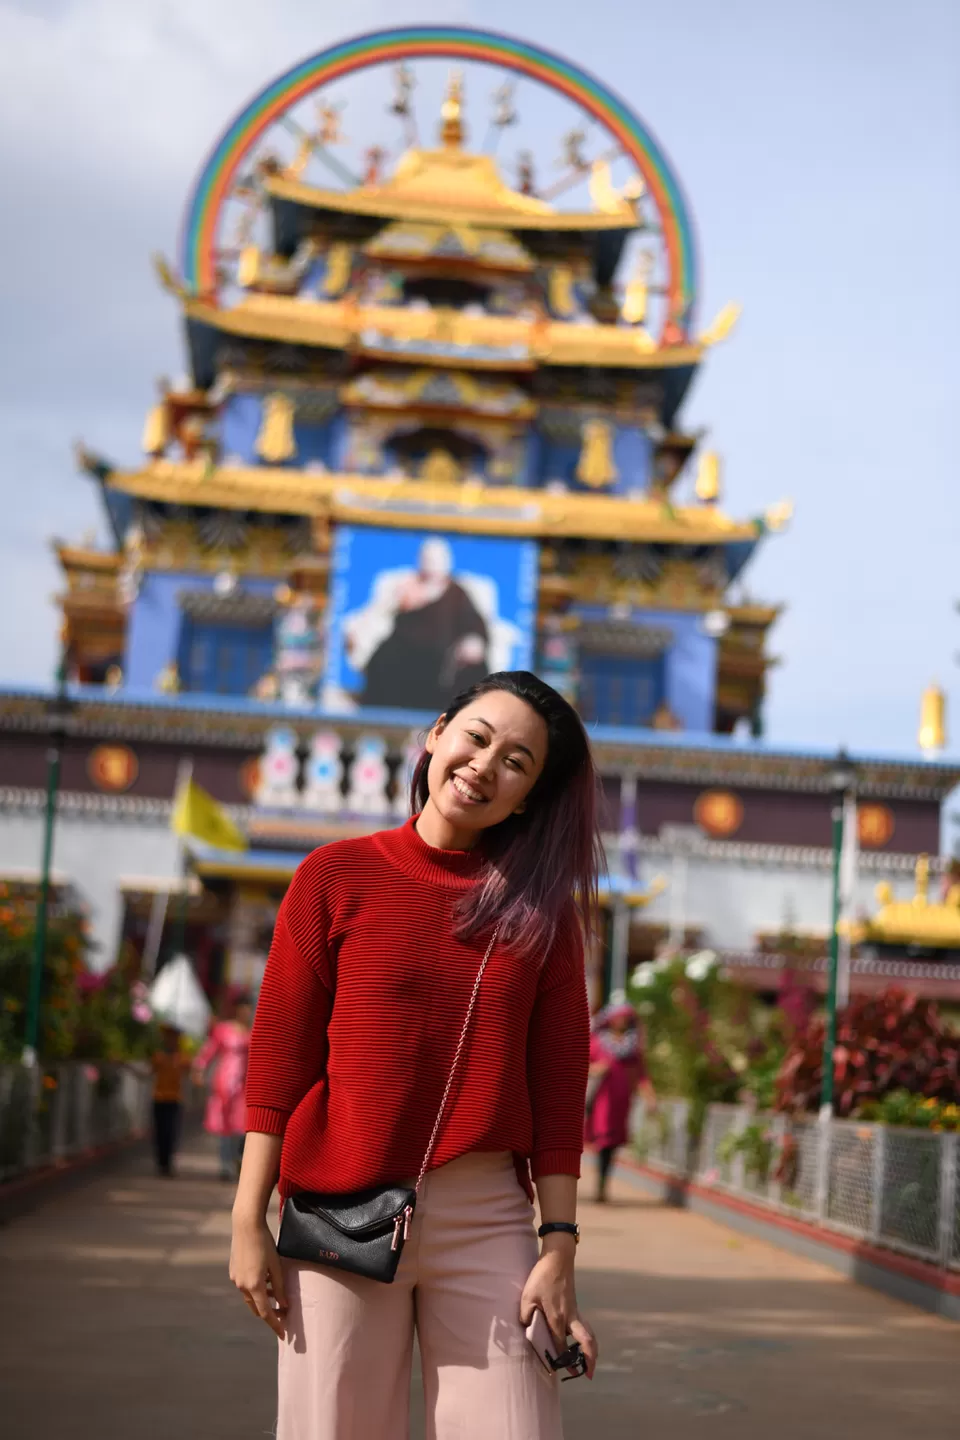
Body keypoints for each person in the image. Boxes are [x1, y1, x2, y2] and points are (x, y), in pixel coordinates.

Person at [231, 671, 604, 1439]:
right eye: (477, 736)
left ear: (528, 796)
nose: (485, 764)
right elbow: (279, 1060)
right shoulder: (334, 877)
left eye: (517, 762)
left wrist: (558, 1246)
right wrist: (246, 1219)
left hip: (488, 1215)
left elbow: (560, 1088)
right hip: (338, 1210)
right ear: (437, 733)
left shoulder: (543, 918)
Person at [346, 536, 490, 711]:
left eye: (437, 560)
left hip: (443, 654)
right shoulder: (406, 585)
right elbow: (379, 611)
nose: (432, 564)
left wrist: (474, 640)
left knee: (470, 670)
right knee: (383, 659)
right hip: (404, 648)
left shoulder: (457, 592)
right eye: (428, 559)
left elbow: (474, 623)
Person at [585, 995, 655, 1203]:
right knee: (603, 1140)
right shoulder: (597, 1043)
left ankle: (603, 1182)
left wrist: (650, 1097)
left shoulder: (632, 1047)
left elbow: (642, 1075)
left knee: (613, 1143)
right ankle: (601, 1183)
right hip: (601, 1101)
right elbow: (579, 1065)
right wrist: (596, 1069)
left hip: (622, 1102)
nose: (621, 1021)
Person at [194, 992, 253, 1182]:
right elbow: (208, 1051)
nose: (246, 1011)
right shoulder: (223, 1030)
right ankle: (225, 1164)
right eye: (243, 1007)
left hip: (243, 1086)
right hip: (224, 1083)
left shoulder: (251, 1032)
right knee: (225, 1126)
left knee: (241, 1126)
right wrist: (199, 1069)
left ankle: (236, 1160)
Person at [150, 1023, 190, 1177]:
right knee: (160, 1132)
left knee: (171, 1132)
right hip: (159, 1098)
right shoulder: (159, 1056)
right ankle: (161, 1163)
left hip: (175, 1099)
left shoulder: (182, 1057)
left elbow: (190, 1072)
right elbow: (148, 1072)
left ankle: (168, 1163)